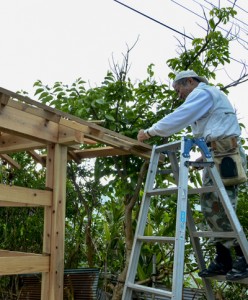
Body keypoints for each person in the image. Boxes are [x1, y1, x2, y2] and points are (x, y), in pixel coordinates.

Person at [137, 70, 248, 281]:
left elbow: (179, 116)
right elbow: (214, 130)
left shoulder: (204, 93)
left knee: (223, 207)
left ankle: (243, 258)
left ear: (190, 81)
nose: (179, 96)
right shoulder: (206, 100)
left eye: (179, 90)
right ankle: (223, 259)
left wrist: (150, 132)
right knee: (210, 208)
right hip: (217, 154)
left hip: (226, 157)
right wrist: (204, 157)